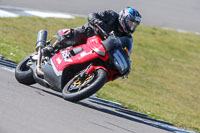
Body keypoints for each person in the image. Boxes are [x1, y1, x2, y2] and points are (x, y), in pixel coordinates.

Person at [42, 7, 142, 56]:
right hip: (89, 34)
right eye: (131, 22)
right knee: (73, 34)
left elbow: (126, 52)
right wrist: (96, 20)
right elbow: (92, 15)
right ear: (124, 17)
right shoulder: (111, 15)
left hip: (99, 48)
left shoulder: (127, 37)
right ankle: (51, 48)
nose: (132, 26)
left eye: (135, 24)